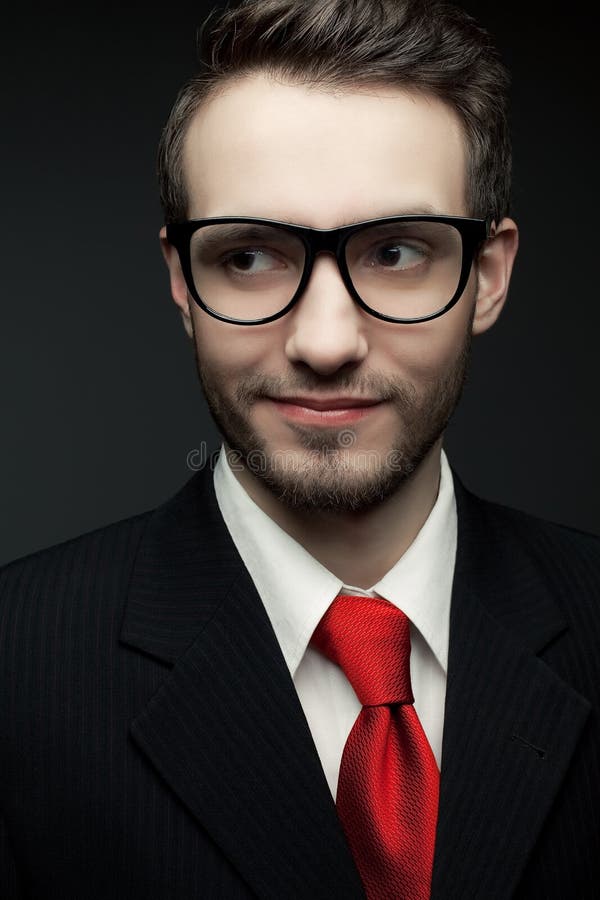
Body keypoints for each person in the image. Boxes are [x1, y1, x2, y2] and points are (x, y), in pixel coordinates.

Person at [1, 0, 599, 897]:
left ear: (489, 276)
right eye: (249, 257)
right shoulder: (15, 670)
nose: (325, 342)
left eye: (398, 251)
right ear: (180, 280)